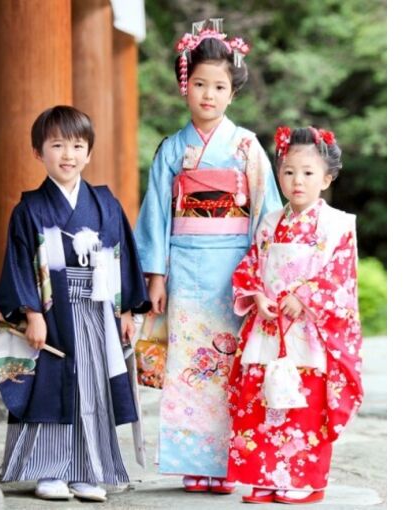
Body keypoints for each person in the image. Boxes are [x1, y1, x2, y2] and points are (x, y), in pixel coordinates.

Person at [134, 18, 282, 494]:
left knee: (230, 367)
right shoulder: (172, 149)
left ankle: (227, 463)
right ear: (185, 85)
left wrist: (261, 276)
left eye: (219, 86)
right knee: (189, 366)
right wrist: (155, 276)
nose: (208, 95)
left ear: (232, 93)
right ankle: (194, 463)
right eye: (200, 84)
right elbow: (156, 213)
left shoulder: (246, 147)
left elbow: (266, 212)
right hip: (185, 267)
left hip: (234, 272)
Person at [0, 105, 151, 502]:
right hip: (51, 311)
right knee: (49, 387)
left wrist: (127, 310)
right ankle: (48, 471)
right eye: (57, 145)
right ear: (38, 152)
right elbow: (19, 262)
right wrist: (32, 313)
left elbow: (123, 257)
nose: (68, 155)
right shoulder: (30, 209)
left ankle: (85, 470)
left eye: (77, 146)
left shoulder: (105, 204)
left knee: (91, 388)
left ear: (89, 153)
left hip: (96, 311)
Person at [226, 126, 364, 504]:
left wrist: (304, 298)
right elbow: (251, 266)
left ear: (327, 178)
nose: (297, 180)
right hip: (270, 327)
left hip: (310, 332)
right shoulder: (270, 223)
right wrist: (257, 296)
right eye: (288, 171)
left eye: (307, 172)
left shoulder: (338, 225)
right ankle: (265, 477)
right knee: (262, 400)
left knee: (306, 403)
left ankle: (303, 481)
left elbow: (341, 278)